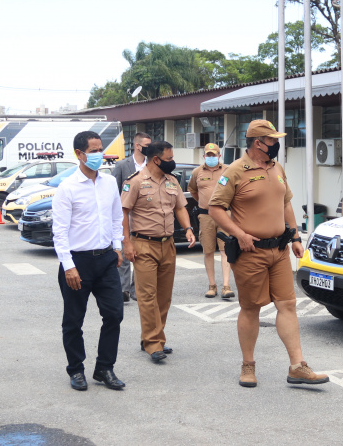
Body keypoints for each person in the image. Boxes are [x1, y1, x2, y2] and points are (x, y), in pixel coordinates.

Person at [208, 120, 329, 388]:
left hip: (280, 250)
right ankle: (248, 366)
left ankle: (298, 366)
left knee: (287, 305)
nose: (277, 144)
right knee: (251, 308)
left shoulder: (277, 168)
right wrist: (238, 234)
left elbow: (285, 203)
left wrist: (296, 236)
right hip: (250, 252)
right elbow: (215, 208)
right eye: (273, 140)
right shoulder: (235, 171)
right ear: (258, 143)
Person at [52, 131, 126, 392]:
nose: (98, 155)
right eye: (93, 150)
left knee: (115, 314)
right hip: (78, 262)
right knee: (74, 320)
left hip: (105, 259)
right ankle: (76, 369)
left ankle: (104, 367)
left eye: (100, 149)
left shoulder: (108, 184)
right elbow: (59, 231)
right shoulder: (67, 187)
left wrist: (117, 248)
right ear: (79, 154)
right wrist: (68, 265)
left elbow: (117, 218)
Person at [121, 141, 195, 362]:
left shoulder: (172, 181)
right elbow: (123, 213)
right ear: (156, 159)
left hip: (168, 244)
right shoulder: (135, 182)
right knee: (147, 296)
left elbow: (180, 207)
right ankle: (153, 343)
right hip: (143, 244)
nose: (172, 162)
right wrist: (127, 244)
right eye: (169, 159)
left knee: (164, 297)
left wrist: (188, 229)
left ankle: (154, 338)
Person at [187, 143, 233, 299]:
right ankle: (212, 285)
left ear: (219, 156)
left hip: (225, 214)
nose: (211, 158)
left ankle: (226, 286)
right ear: (204, 156)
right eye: (209, 155)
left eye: (214, 155)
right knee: (207, 250)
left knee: (225, 249)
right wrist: (204, 202)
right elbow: (193, 190)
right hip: (206, 216)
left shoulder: (228, 170)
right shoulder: (197, 172)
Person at [111, 132, 152, 302]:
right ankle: (124, 289)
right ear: (137, 145)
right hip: (125, 213)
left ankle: (137, 289)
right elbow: (113, 191)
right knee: (125, 249)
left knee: (141, 253)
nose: (150, 148)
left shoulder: (152, 164)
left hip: (145, 215)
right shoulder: (122, 166)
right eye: (147, 145)